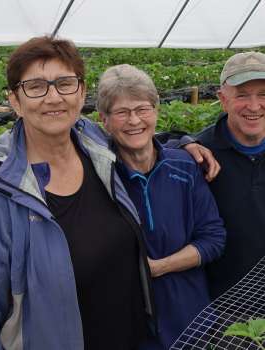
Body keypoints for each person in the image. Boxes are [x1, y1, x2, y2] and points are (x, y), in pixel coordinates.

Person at [0, 36, 155, 350]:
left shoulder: (97, 147)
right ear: (14, 101)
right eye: (35, 87)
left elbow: (142, 137)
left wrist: (189, 144)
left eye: (65, 83)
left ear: (82, 92)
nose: (53, 97)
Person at [96, 64, 226, 349]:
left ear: (156, 111)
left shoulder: (185, 166)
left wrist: (157, 268)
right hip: (129, 325)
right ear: (103, 120)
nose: (134, 121)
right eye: (121, 112)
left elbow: (213, 237)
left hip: (190, 317)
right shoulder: (100, 177)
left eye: (143, 109)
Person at [184, 51, 265, 299]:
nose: (254, 106)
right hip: (225, 309)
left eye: (263, 95)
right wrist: (180, 142)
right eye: (242, 95)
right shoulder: (200, 154)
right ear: (223, 99)